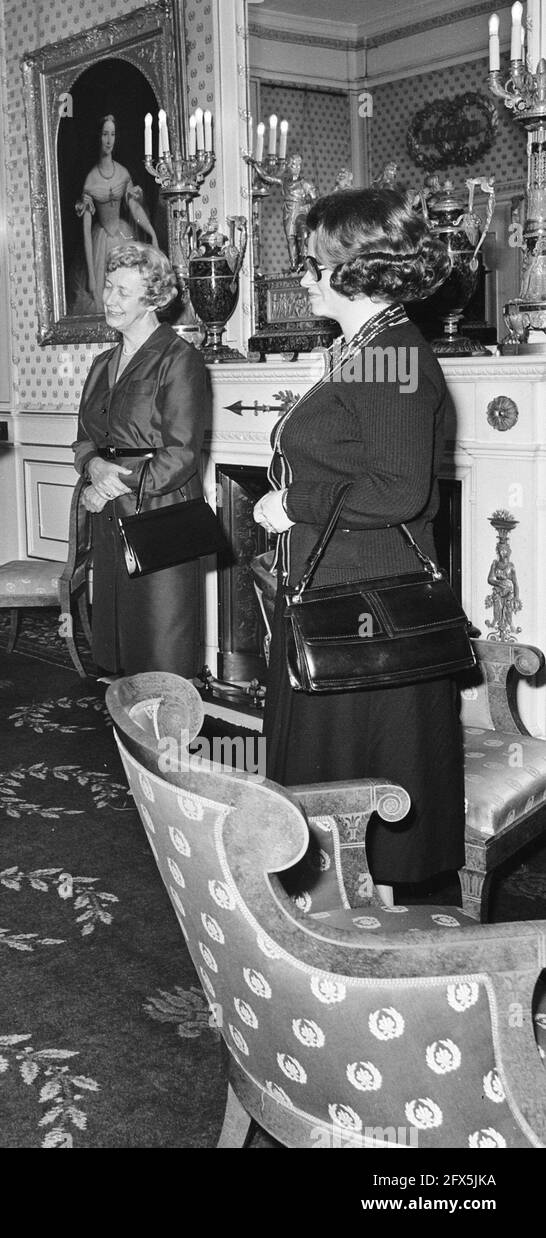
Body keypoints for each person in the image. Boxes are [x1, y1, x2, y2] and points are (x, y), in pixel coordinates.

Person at [253, 188, 460, 895]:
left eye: (312, 264)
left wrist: (293, 504)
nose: (304, 278)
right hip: (337, 593)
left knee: (352, 776)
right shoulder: (365, 347)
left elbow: (401, 490)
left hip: (363, 609)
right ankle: (335, 910)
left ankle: (359, 919)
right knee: (330, 774)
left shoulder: (392, 351)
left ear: (355, 267)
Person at [72, 242, 210, 677]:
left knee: (162, 639)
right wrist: (93, 467)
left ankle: (168, 738)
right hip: (110, 515)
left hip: (160, 514)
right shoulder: (101, 364)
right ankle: (131, 736)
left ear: (153, 298)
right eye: (108, 287)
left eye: (123, 292)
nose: (110, 300)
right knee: (122, 641)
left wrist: (114, 482)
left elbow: (181, 453)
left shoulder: (179, 359)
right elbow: (83, 440)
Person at [76, 114, 158, 315]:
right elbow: (86, 232)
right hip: (101, 243)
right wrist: (92, 278)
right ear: (98, 136)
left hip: (123, 236)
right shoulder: (91, 179)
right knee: (105, 299)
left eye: (112, 134)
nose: (108, 140)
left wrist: (152, 233)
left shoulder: (122, 173)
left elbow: (135, 209)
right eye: (105, 134)